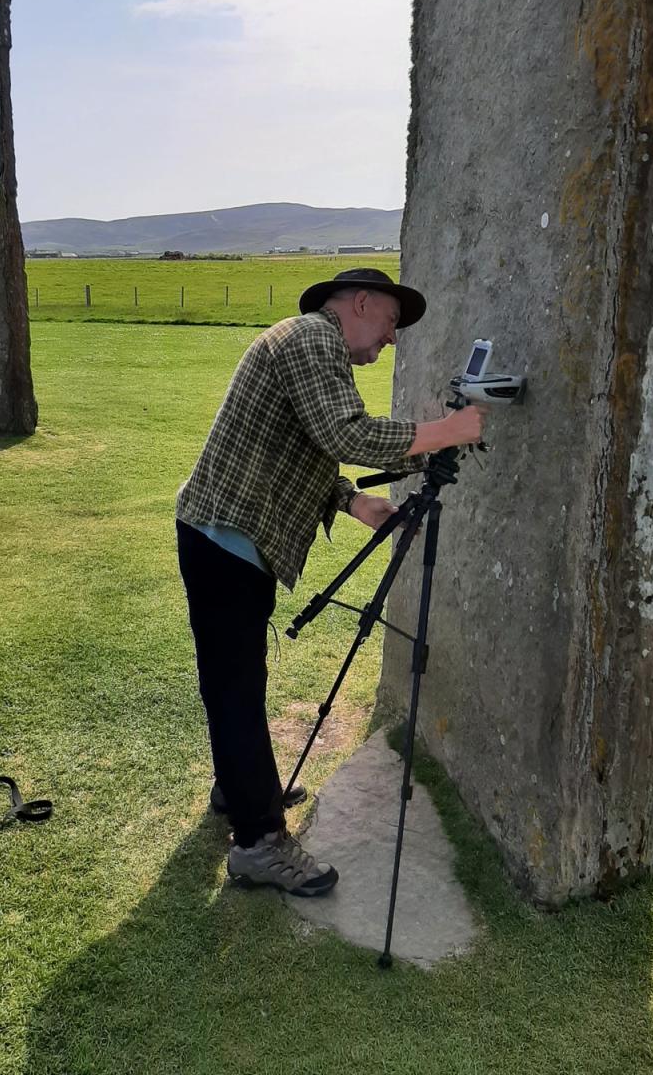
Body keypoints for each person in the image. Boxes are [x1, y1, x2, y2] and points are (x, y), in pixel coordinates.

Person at [176, 268, 485, 896]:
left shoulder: (305, 342)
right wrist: (446, 433)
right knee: (235, 687)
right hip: (224, 540)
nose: (392, 340)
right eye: (393, 324)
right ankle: (259, 841)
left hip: (226, 538)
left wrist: (352, 502)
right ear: (362, 303)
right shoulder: (314, 339)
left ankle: (243, 786)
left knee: (240, 680)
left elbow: (302, 445)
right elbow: (344, 433)